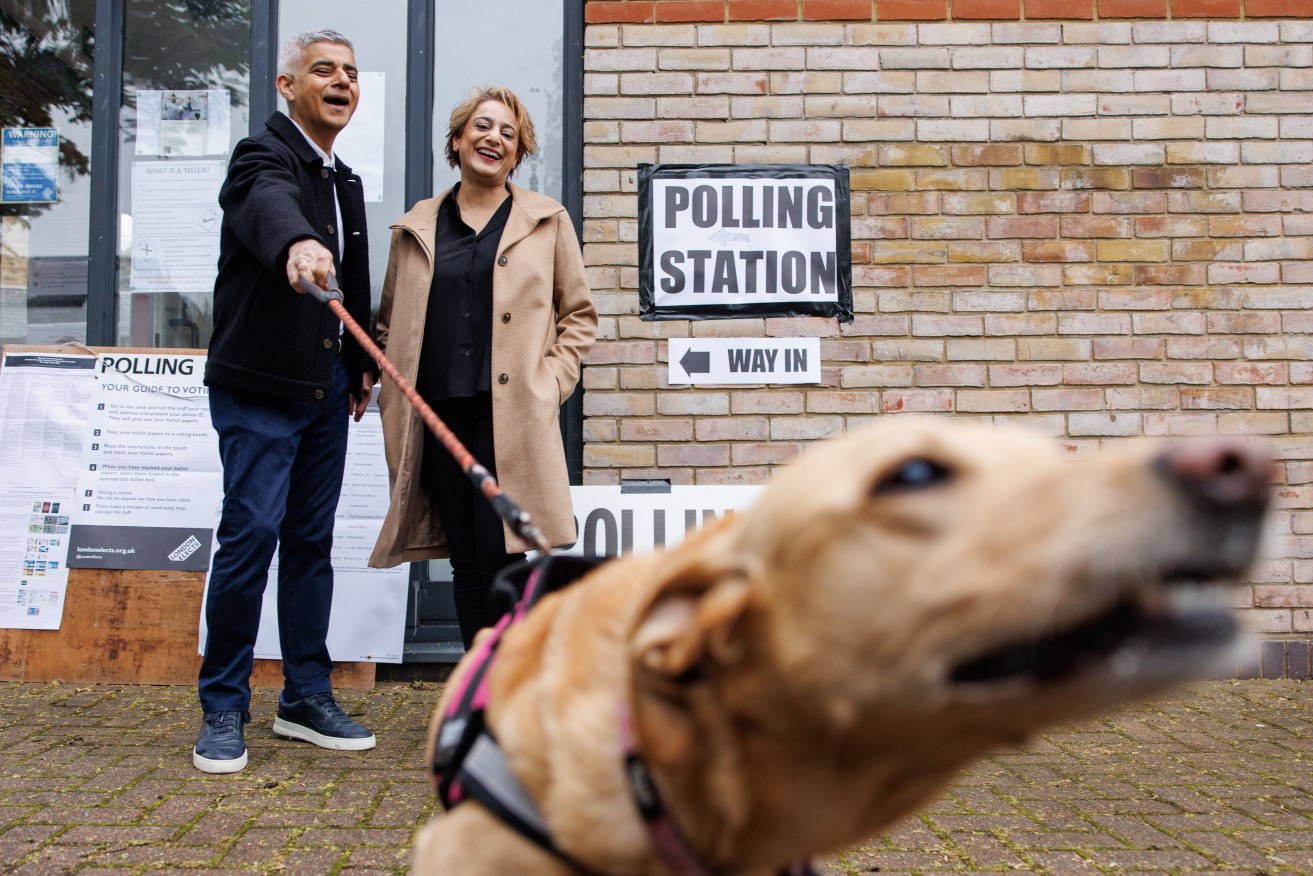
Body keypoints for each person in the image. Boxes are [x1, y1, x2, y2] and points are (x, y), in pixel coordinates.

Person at [195, 28, 378, 774]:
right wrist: (298, 245)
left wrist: (361, 360)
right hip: (259, 387)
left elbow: (354, 283)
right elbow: (269, 207)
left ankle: (304, 695)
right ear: (287, 86)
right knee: (252, 536)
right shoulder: (261, 156)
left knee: (310, 543)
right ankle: (223, 704)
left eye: (351, 73)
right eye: (323, 70)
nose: (341, 81)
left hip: (325, 388)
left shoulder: (346, 180)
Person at [369, 85, 596, 649]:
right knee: (467, 561)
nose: (493, 137)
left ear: (517, 155)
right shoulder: (415, 229)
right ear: (457, 140)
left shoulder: (546, 221)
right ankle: (483, 687)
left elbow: (580, 315)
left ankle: (514, 689)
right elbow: (389, 323)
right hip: (440, 417)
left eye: (508, 133)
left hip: (512, 418)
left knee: (505, 557)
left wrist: (551, 384)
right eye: (482, 126)